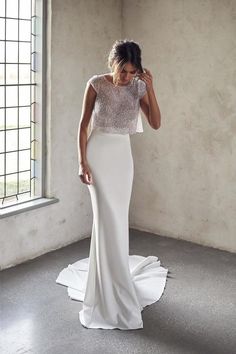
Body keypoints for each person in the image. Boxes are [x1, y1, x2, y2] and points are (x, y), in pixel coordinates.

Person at [56, 39, 168, 330]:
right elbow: (83, 126)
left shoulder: (138, 87)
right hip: (98, 155)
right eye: (123, 71)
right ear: (113, 63)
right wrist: (82, 162)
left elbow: (155, 122)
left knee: (117, 220)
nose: (126, 77)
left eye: (133, 72)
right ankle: (105, 290)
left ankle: (115, 280)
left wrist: (151, 88)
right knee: (106, 220)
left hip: (122, 158)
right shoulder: (95, 84)